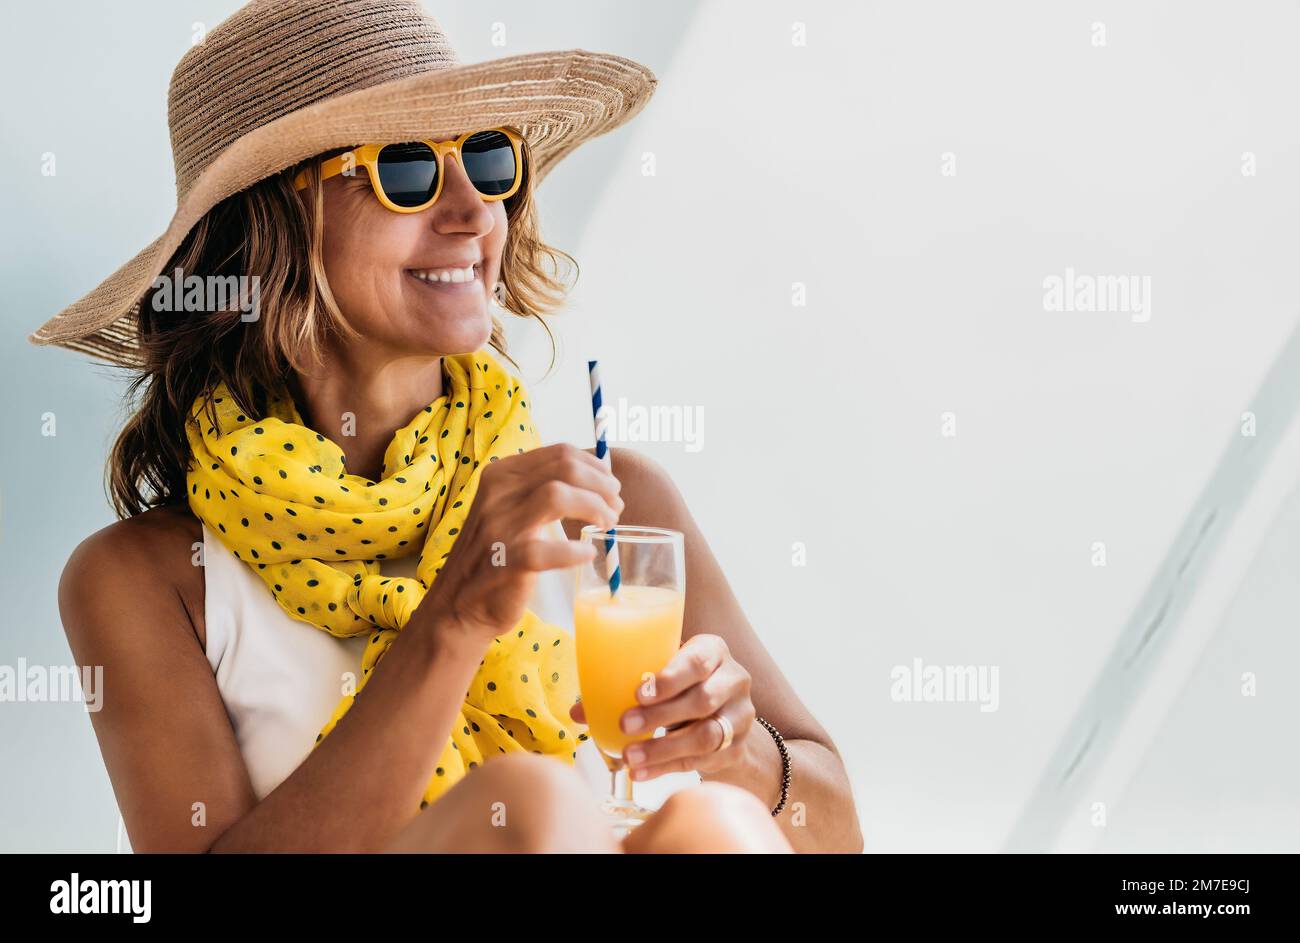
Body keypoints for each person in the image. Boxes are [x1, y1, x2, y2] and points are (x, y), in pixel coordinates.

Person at [31, 0, 862, 853]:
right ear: (268, 229)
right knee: (531, 803)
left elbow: (837, 829)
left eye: (488, 158)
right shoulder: (147, 579)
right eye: (406, 168)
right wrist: (453, 619)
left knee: (712, 817)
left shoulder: (610, 503)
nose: (472, 211)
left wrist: (741, 753)